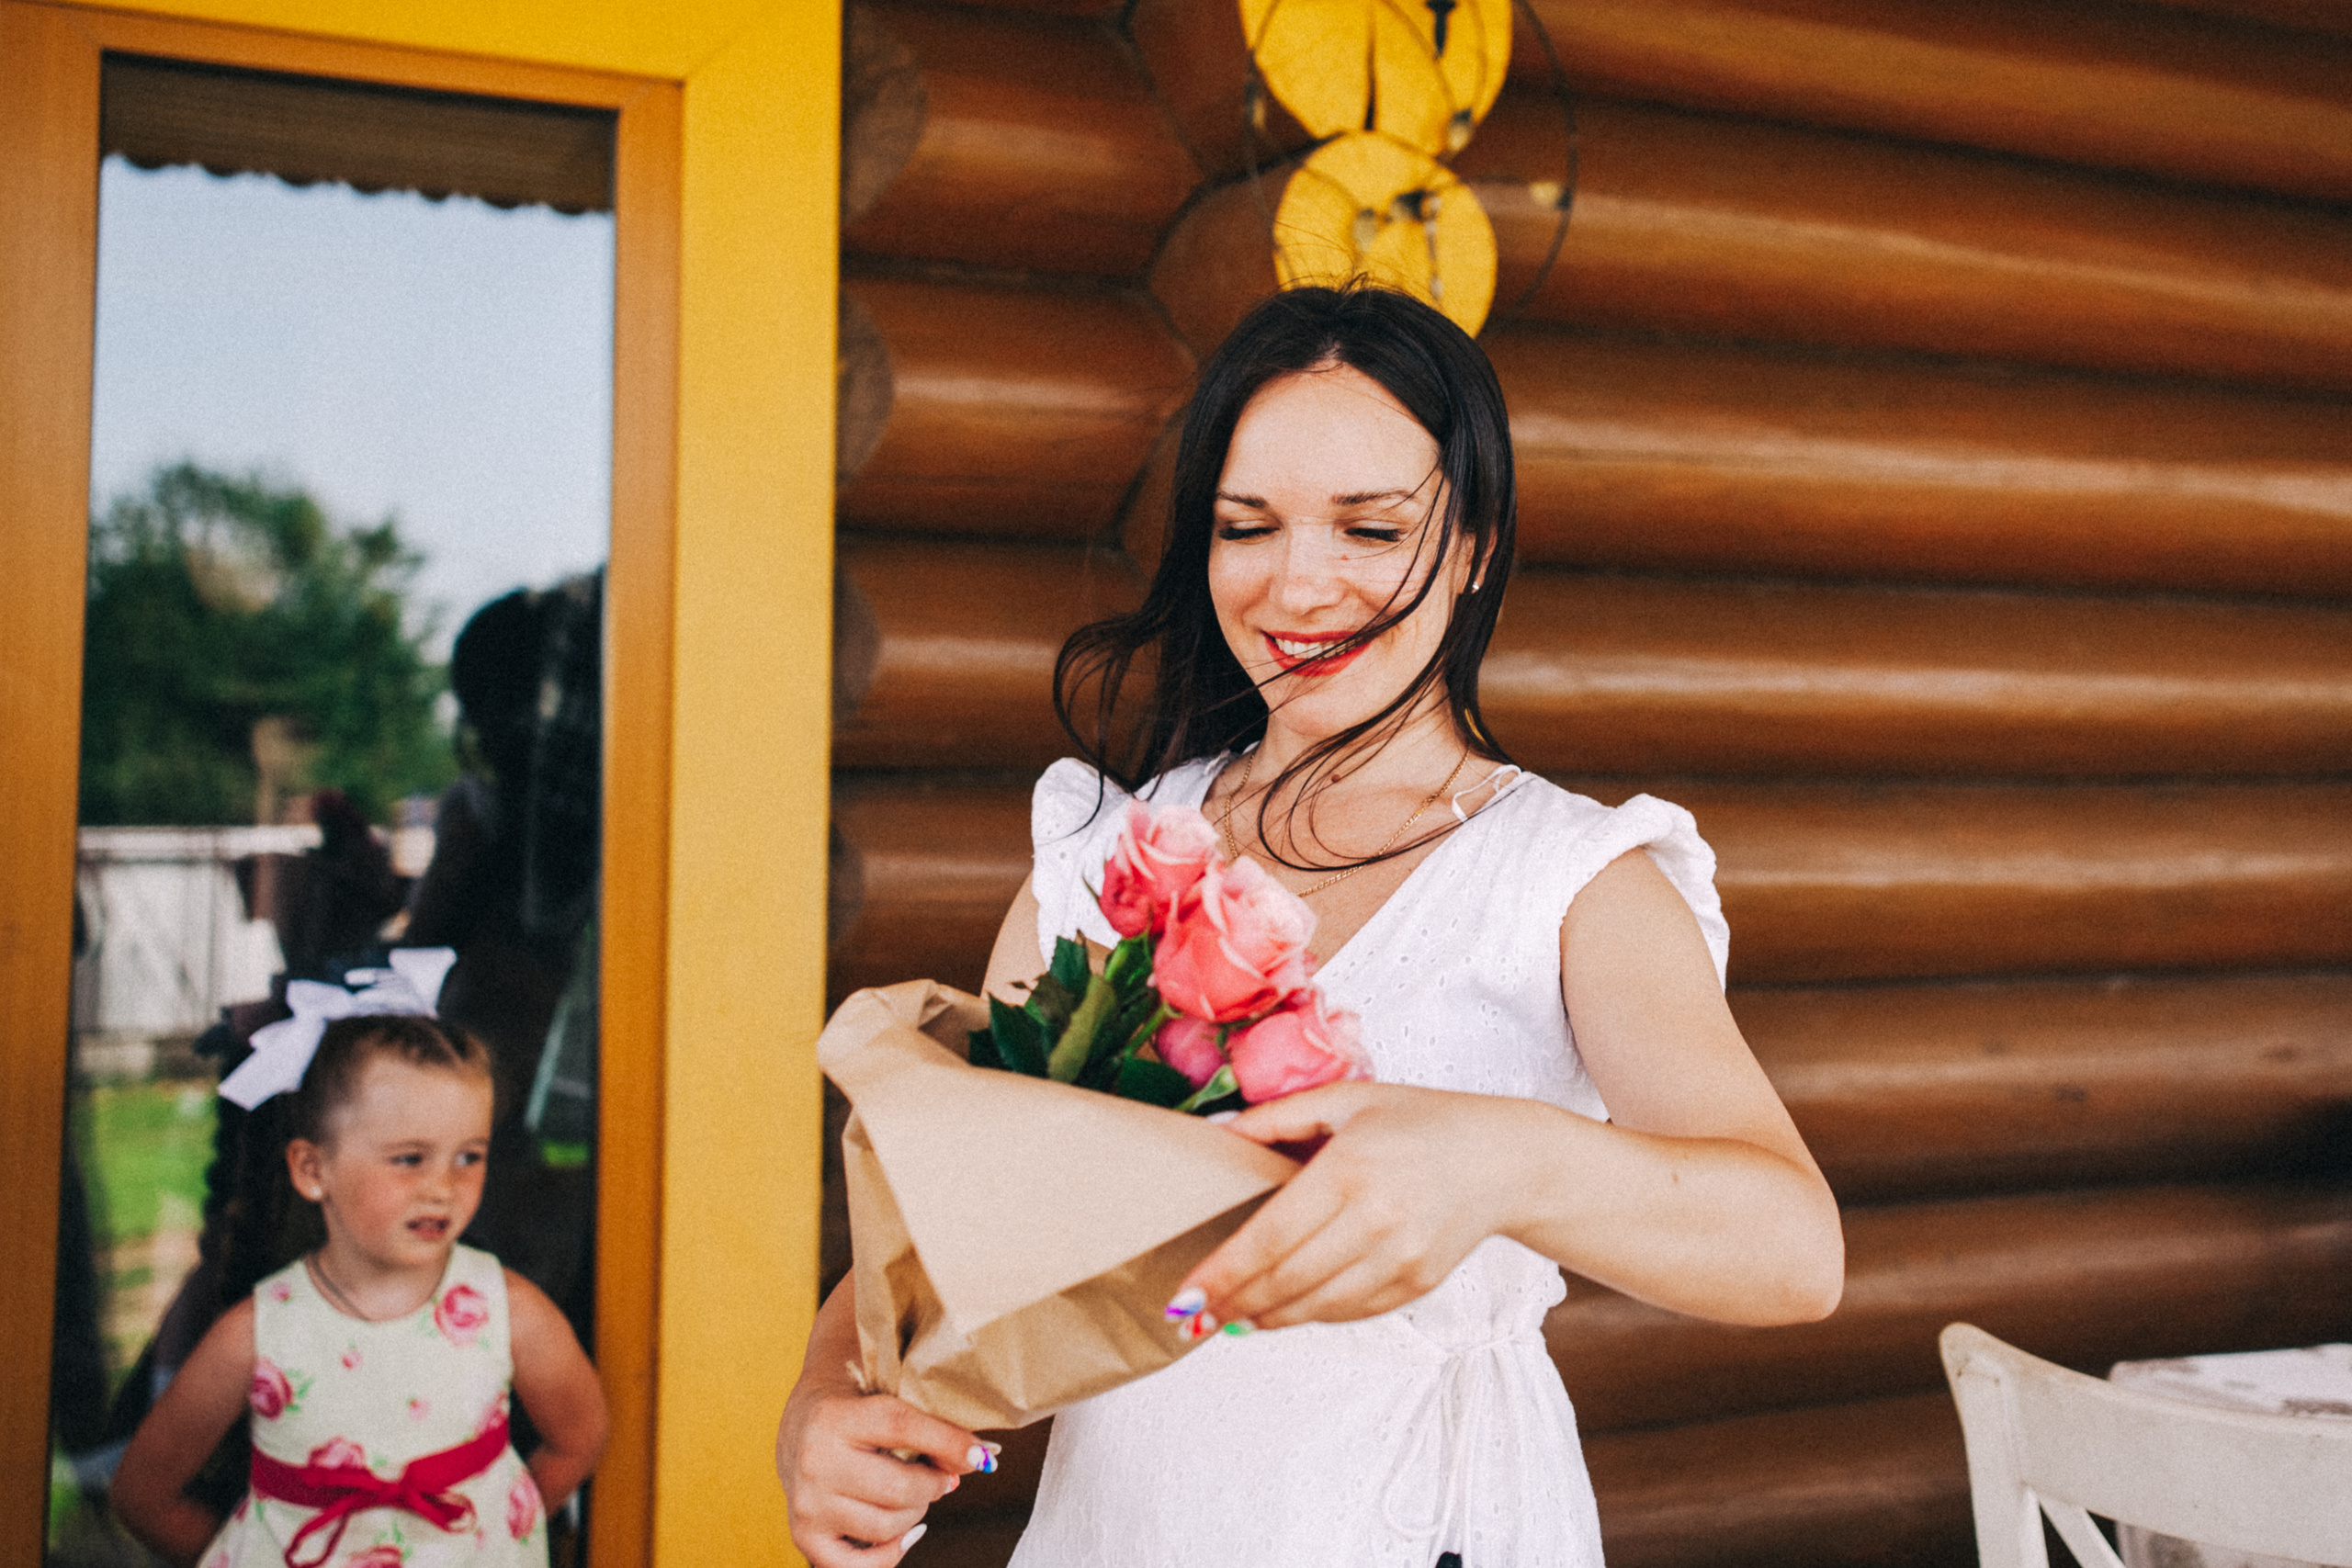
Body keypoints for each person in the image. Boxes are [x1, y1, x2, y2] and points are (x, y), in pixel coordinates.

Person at [776, 284, 1845, 1567]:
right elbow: (955, 1232)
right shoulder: (1106, 856)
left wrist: (1499, 1160)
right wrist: (825, 1399)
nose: (1300, 580)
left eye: (1371, 525)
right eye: (1247, 526)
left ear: (1474, 545)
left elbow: (1793, 1249)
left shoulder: (1568, 878)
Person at [112, 986, 608, 1568]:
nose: (442, 1187)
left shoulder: (510, 1312)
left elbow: (580, 1436)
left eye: (468, 1156)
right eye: (409, 1158)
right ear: (312, 1168)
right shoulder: (258, 1334)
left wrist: (505, 1528)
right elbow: (142, 1495)